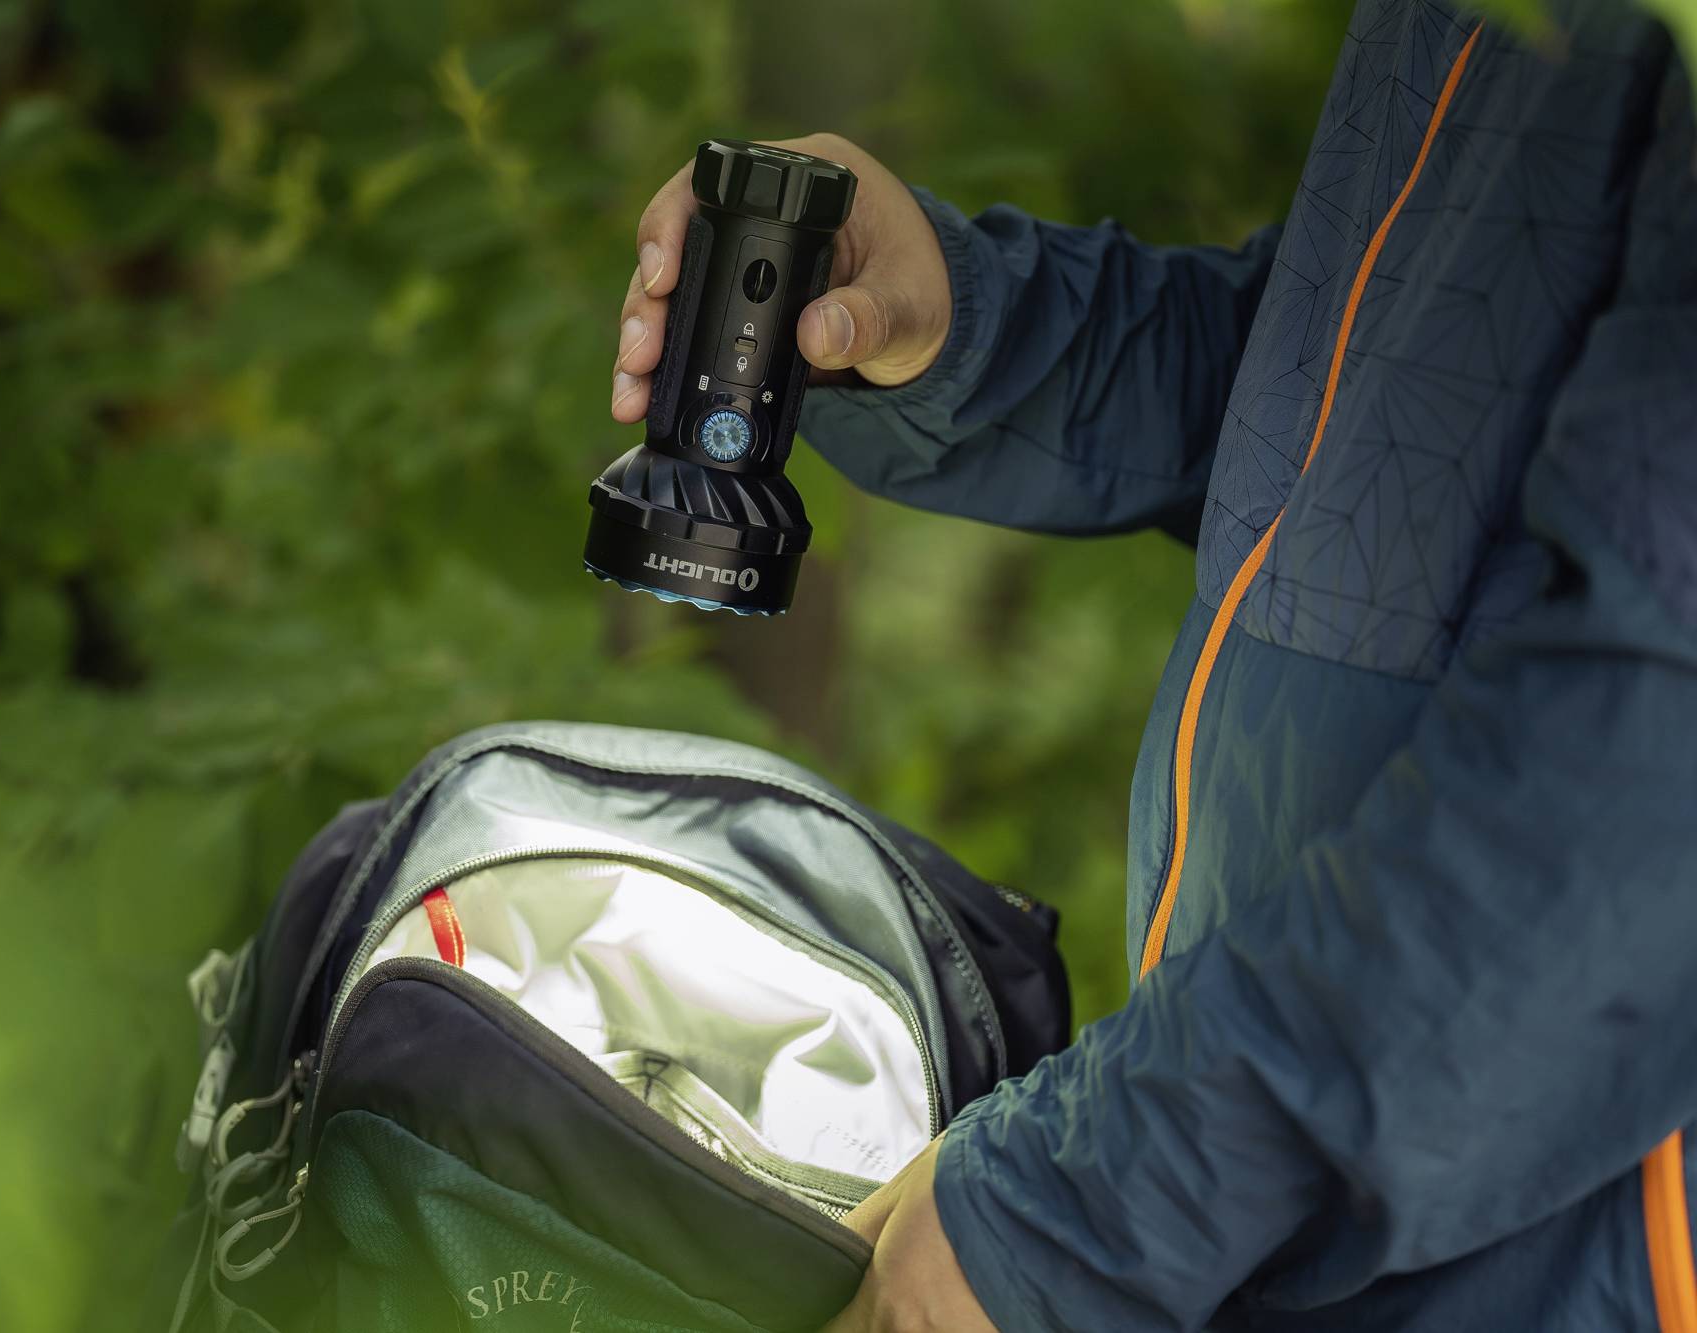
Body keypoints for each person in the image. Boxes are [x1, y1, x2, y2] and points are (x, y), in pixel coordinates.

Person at [611, 2, 1697, 1330]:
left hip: (1562, 1251)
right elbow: (1374, 396)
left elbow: (1645, 766)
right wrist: (970, 327)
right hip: (1291, 1211)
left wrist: (1097, 1204)